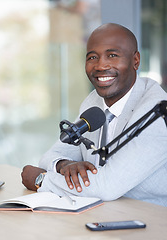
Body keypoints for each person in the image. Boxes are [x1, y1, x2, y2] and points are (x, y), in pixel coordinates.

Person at [21, 23, 167, 207]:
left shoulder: (156, 112)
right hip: (101, 212)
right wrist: (65, 165)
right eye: (92, 57)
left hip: (150, 221)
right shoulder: (94, 102)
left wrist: (42, 180)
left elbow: (107, 186)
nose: (100, 65)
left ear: (136, 60)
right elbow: (52, 155)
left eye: (112, 55)